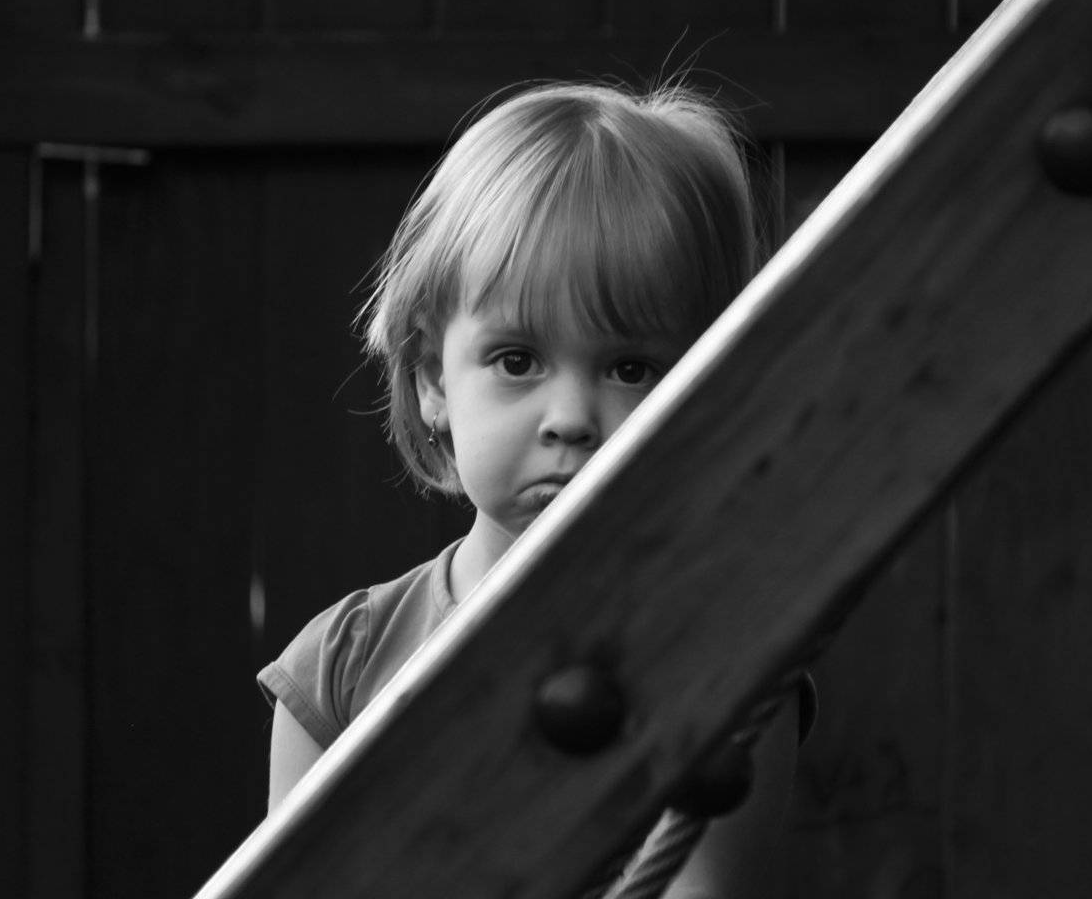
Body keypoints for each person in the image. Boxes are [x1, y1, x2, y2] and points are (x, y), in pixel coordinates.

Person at [258, 81, 810, 897]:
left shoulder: (726, 653)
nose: (572, 418)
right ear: (430, 380)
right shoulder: (342, 667)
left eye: (631, 368)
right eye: (517, 360)